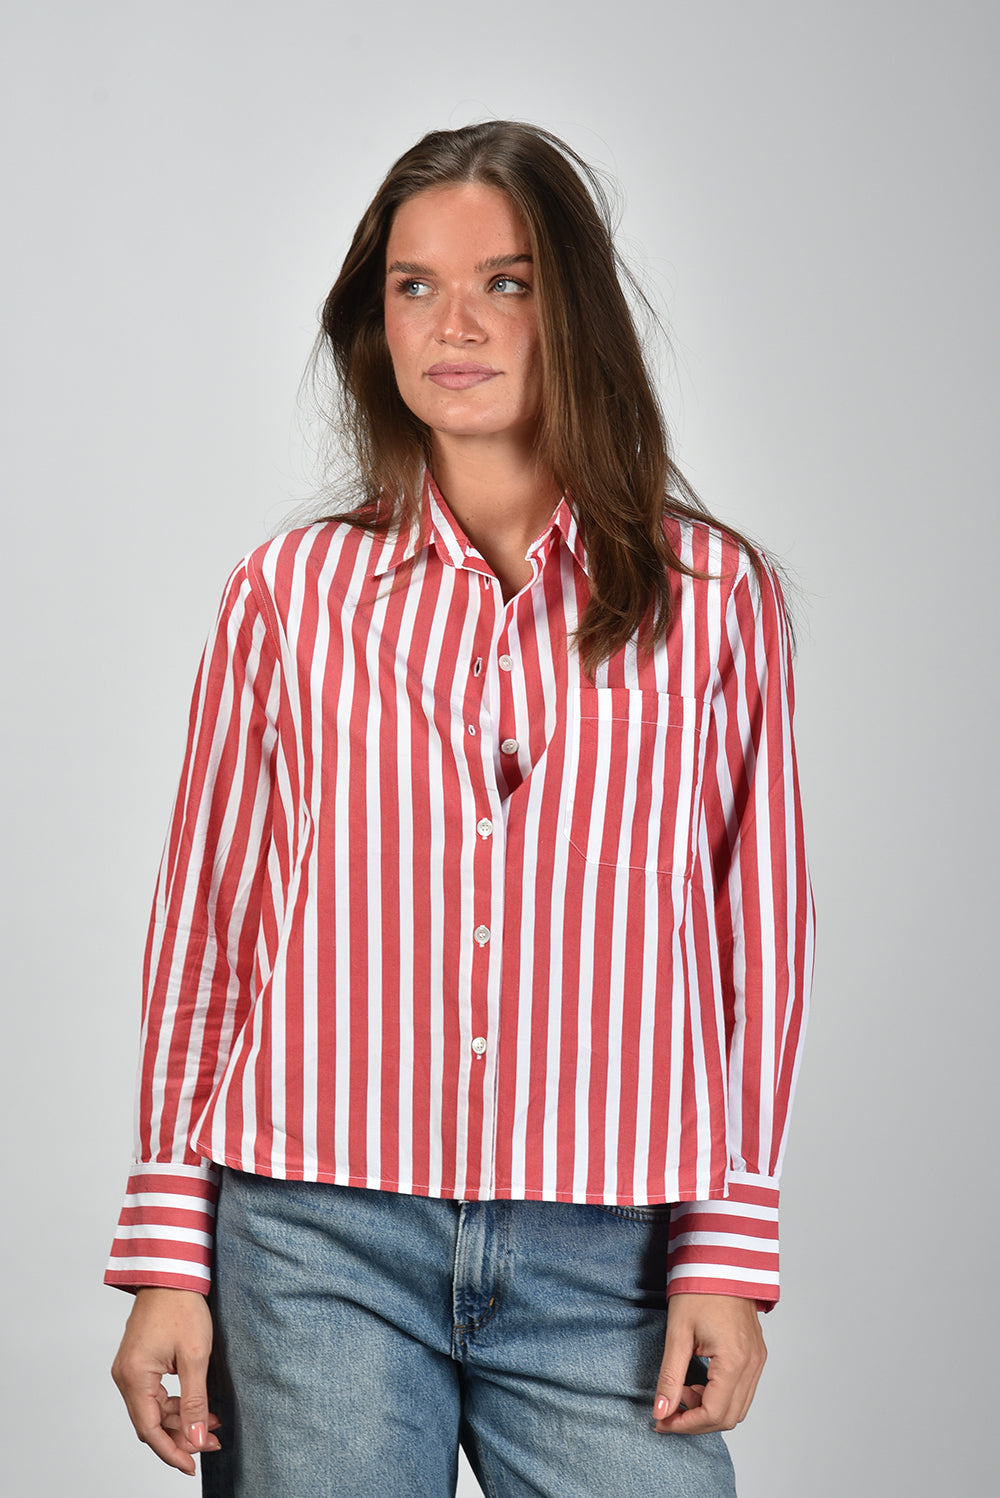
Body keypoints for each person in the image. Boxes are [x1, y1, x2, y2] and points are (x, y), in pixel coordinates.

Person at [108, 121, 813, 1497]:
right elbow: (210, 932)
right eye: (414, 285)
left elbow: (754, 938)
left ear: (574, 310)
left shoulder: (714, 600)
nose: (456, 324)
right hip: (312, 1241)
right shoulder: (289, 597)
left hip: (608, 1254)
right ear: (375, 322)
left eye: (506, 282)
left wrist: (727, 1248)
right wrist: (167, 1257)